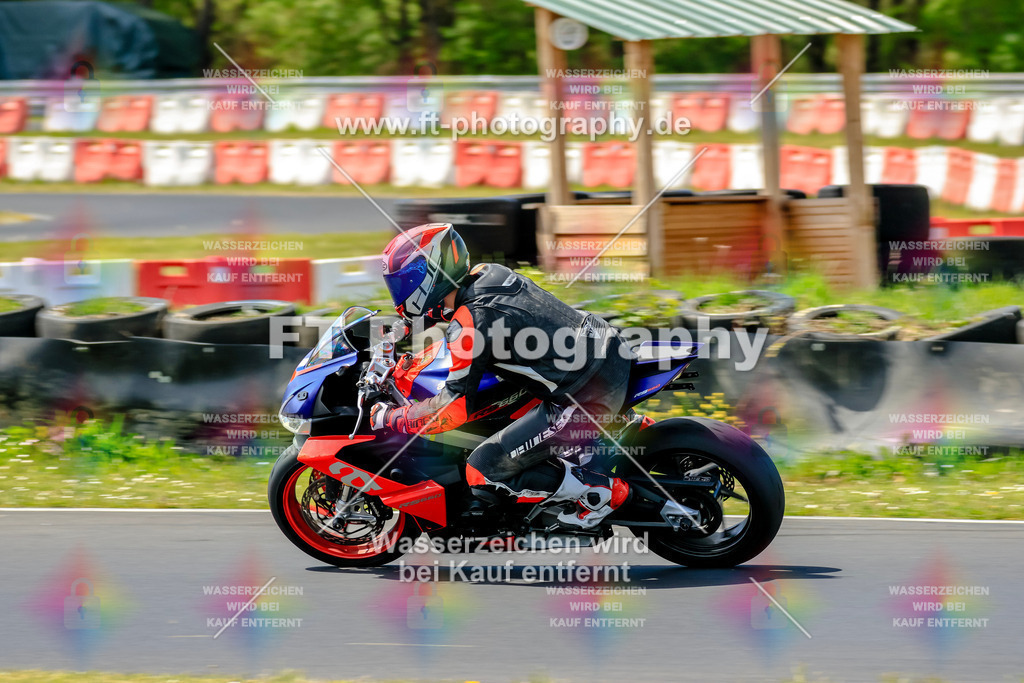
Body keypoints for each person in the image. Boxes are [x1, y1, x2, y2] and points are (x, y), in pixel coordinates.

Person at [369, 223, 633, 529]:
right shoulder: (489, 273)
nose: (401, 291)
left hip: (587, 393)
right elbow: (478, 319)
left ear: (432, 273)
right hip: (606, 348)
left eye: (406, 281)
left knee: (482, 469)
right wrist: (403, 336)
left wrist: (393, 418)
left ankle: (598, 493)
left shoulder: (469, 325)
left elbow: (452, 410)